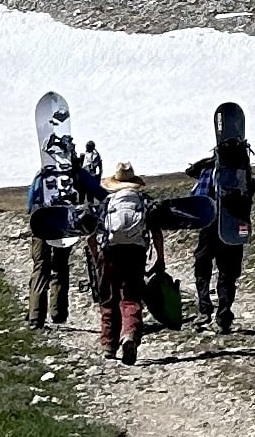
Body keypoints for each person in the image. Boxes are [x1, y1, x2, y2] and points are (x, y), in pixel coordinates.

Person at [24, 146, 102, 328]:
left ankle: (36, 316)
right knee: (60, 266)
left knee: (41, 265)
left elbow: (30, 201)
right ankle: (58, 312)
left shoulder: (42, 174)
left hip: (41, 222)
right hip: (65, 224)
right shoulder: (77, 174)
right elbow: (98, 191)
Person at [181, 149, 255, 333]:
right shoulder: (242, 172)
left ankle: (205, 308)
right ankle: (224, 314)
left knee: (202, 263)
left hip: (211, 223)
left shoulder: (209, 170)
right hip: (234, 222)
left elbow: (195, 186)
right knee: (228, 272)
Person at [95, 163, 163, 364]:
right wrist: (160, 258)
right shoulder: (143, 201)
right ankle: (129, 334)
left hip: (109, 252)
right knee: (131, 296)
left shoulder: (107, 202)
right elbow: (156, 233)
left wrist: (95, 253)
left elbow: (93, 233)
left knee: (108, 296)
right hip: (136, 252)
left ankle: (108, 344)